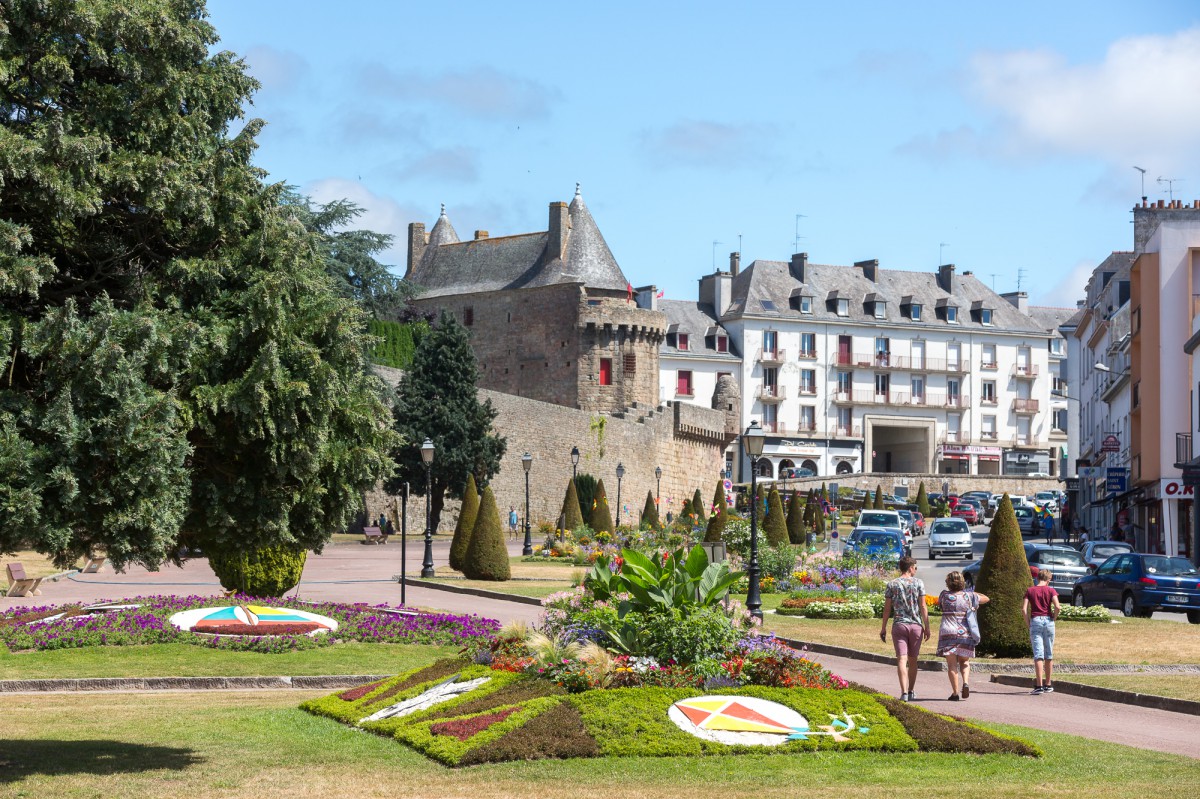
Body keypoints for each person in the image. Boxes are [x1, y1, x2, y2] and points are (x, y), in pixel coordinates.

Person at [879, 556, 930, 702]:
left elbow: (887, 608)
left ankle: (904, 693)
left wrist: (883, 627)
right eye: (915, 567)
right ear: (910, 567)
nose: (916, 569)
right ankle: (911, 690)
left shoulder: (892, 584)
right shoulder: (919, 583)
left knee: (901, 659)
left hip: (899, 624)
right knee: (913, 660)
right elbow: (923, 606)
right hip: (915, 626)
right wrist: (927, 627)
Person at [935, 571, 990, 701]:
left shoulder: (944, 595)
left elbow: (940, 605)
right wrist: (972, 594)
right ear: (962, 582)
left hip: (947, 631)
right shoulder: (969, 596)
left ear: (948, 583)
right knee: (965, 662)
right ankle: (965, 682)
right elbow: (986, 598)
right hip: (964, 632)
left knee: (952, 665)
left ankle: (955, 693)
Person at [1023, 568, 1061, 694]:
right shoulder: (1051, 590)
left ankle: (1039, 685)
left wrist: (1028, 623)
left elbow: (1024, 609)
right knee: (1048, 653)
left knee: (1038, 654)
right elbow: (1057, 606)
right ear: (1048, 580)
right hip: (1048, 620)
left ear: (1037, 578)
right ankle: (1048, 684)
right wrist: (1053, 618)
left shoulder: (1030, 590)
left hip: (1035, 620)